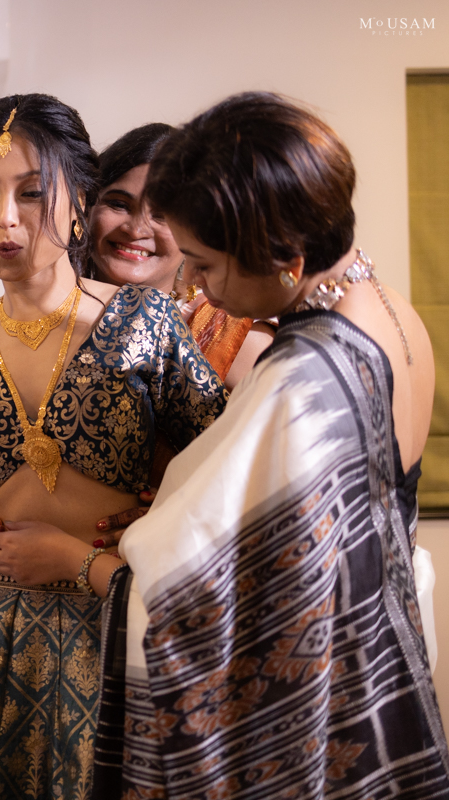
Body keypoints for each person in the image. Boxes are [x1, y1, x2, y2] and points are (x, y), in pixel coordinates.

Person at [0, 94, 227, 799]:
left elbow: (224, 471)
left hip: (114, 614)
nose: (6, 217)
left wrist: (153, 520)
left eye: (32, 193)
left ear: (78, 203)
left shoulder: (144, 321)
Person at [84, 92, 447, 797]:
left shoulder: (299, 383)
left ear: (282, 256)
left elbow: (195, 593)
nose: (194, 283)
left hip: (319, 698)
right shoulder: (388, 308)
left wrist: (82, 564)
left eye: (204, 263)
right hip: (374, 653)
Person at [88, 122, 274, 390]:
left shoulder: (231, 336)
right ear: (85, 205)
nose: (136, 229)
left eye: (163, 215)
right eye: (119, 204)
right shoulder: (43, 311)